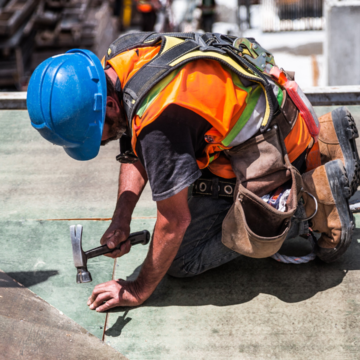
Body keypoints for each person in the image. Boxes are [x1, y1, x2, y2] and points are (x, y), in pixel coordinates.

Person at [27, 32, 359, 312]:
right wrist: (121, 218)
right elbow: (133, 143)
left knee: (182, 259)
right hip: (278, 118)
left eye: (94, 136)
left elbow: (174, 221)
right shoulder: (122, 56)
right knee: (177, 186)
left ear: (110, 106)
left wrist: (138, 288)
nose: (98, 144)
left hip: (272, 152)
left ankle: (311, 201)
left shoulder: (160, 122)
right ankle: (325, 142)